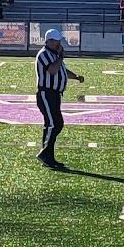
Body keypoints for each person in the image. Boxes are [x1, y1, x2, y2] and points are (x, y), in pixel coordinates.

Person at [35, 27, 83, 169]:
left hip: (55, 94)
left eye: (59, 41)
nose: (58, 44)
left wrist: (75, 77)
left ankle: (48, 157)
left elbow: (62, 70)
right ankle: (45, 154)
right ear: (49, 41)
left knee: (52, 124)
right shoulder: (44, 54)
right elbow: (53, 70)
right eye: (56, 41)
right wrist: (61, 56)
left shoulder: (54, 55)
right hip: (46, 93)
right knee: (54, 124)